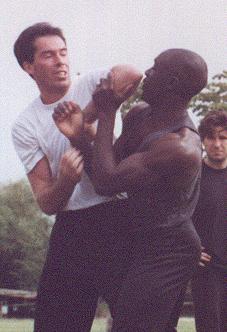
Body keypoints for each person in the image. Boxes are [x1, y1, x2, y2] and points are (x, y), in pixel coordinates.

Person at [12, 22, 139, 332]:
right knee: (55, 324)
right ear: (28, 66)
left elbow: (132, 73)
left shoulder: (93, 82)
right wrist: (66, 180)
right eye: (48, 56)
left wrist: (84, 119)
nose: (61, 62)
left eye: (64, 53)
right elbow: (46, 200)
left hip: (120, 214)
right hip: (74, 227)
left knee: (140, 320)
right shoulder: (25, 125)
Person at [90, 48, 208, 331]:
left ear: (172, 84)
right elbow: (110, 163)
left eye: (155, 69)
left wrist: (107, 112)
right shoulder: (140, 114)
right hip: (136, 238)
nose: (146, 74)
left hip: (169, 247)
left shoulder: (180, 147)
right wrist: (80, 137)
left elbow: (106, 182)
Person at [191, 110, 227, 332]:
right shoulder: (192, 175)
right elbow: (177, 218)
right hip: (207, 271)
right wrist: (190, 249)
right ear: (203, 140)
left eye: (223, 137)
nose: (217, 144)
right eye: (211, 137)